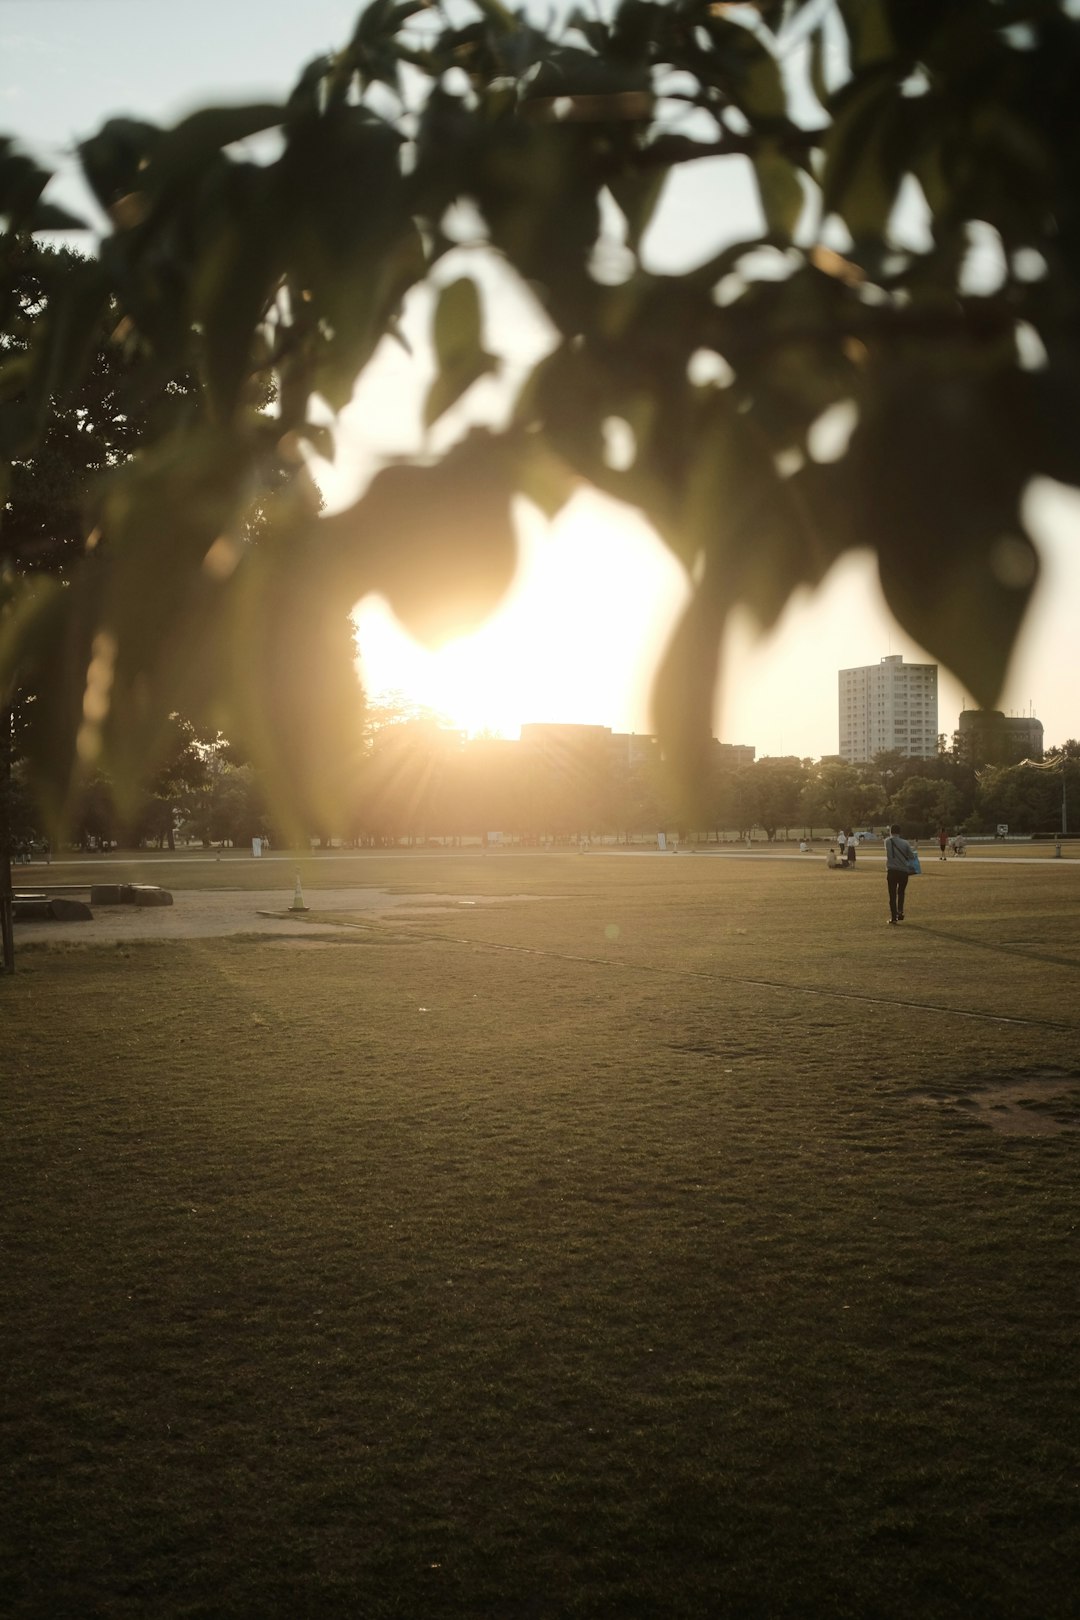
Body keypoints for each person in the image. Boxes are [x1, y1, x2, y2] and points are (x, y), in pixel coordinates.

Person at [884, 823, 918, 925]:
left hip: (892, 870)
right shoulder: (905, 843)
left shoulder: (887, 841)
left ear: (891, 831)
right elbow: (911, 857)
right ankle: (900, 911)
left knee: (892, 894)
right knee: (901, 892)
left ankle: (894, 917)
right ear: (900, 832)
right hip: (903, 871)